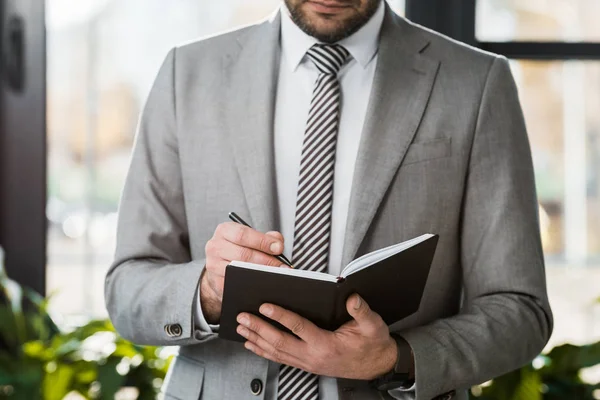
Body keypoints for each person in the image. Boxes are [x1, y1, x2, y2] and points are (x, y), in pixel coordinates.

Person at [104, 0, 553, 399]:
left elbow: (520, 309)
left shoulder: (476, 82)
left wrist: (395, 357)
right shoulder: (188, 73)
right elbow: (128, 288)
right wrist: (207, 290)